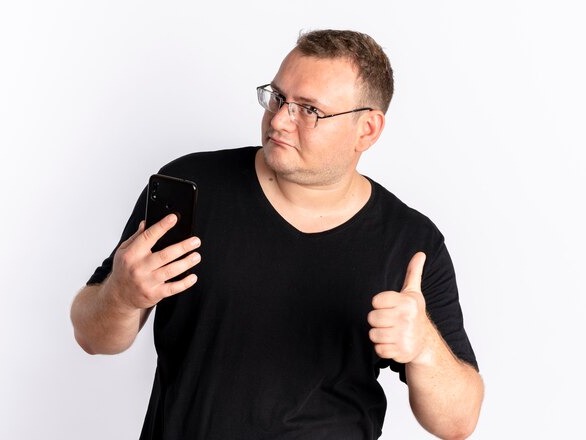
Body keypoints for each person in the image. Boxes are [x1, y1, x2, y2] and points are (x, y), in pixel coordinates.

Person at [71, 29, 484, 439]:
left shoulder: (410, 242)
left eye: (309, 110)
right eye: (278, 97)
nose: (280, 120)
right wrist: (122, 296)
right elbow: (91, 336)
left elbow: (457, 423)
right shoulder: (191, 187)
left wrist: (424, 347)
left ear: (368, 130)